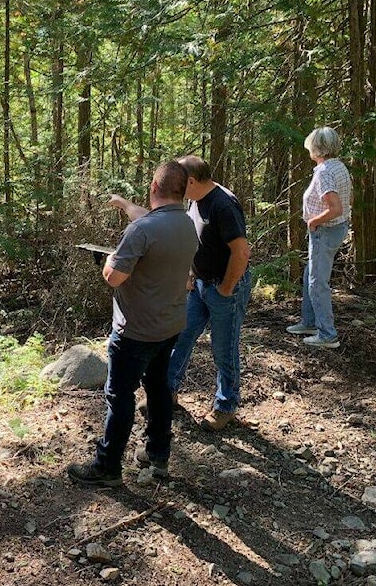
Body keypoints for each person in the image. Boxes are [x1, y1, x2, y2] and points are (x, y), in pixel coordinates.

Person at [68, 161, 198, 487]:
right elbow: (149, 219)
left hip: (135, 331)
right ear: (182, 191)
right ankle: (158, 455)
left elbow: (113, 277)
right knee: (157, 389)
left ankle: (107, 466)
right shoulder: (186, 224)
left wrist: (111, 258)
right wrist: (126, 205)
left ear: (153, 187)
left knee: (120, 395)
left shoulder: (140, 232)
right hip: (169, 326)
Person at [109, 155, 251, 432]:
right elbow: (163, 224)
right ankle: (167, 391)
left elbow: (242, 251)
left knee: (224, 347)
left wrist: (226, 288)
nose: (174, 187)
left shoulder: (223, 205)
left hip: (224, 287)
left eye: (179, 181)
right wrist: (126, 205)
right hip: (200, 284)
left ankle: (226, 405)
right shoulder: (194, 201)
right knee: (181, 337)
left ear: (191, 181)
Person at [286, 126, 352, 348]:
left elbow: (335, 207)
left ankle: (327, 334)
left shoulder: (325, 172)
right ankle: (310, 322)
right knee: (310, 275)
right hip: (334, 229)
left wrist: (314, 222)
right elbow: (347, 200)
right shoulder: (338, 166)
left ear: (317, 148)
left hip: (325, 231)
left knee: (317, 282)